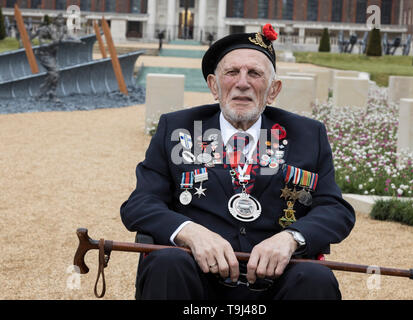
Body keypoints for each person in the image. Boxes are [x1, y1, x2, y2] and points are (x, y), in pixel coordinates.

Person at [120, 24, 355, 300]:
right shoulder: (177, 129)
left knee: (316, 278)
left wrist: (291, 238)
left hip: (277, 284)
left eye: (254, 73)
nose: (242, 83)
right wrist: (189, 233)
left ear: (273, 90)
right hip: (195, 277)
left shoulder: (307, 135)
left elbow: (335, 209)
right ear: (213, 86)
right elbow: (139, 204)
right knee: (167, 263)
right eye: (232, 72)